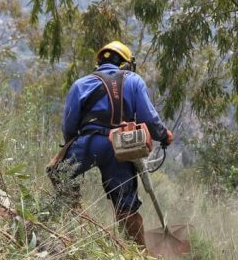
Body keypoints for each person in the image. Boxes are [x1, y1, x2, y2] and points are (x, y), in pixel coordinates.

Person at [49, 41, 173, 246]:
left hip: (88, 143)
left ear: (99, 62)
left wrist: (71, 145)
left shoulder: (81, 84)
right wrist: (164, 135)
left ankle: (75, 221)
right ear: (125, 63)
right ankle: (138, 254)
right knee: (126, 206)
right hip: (121, 147)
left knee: (58, 173)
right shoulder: (134, 81)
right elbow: (149, 119)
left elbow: (69, 124)